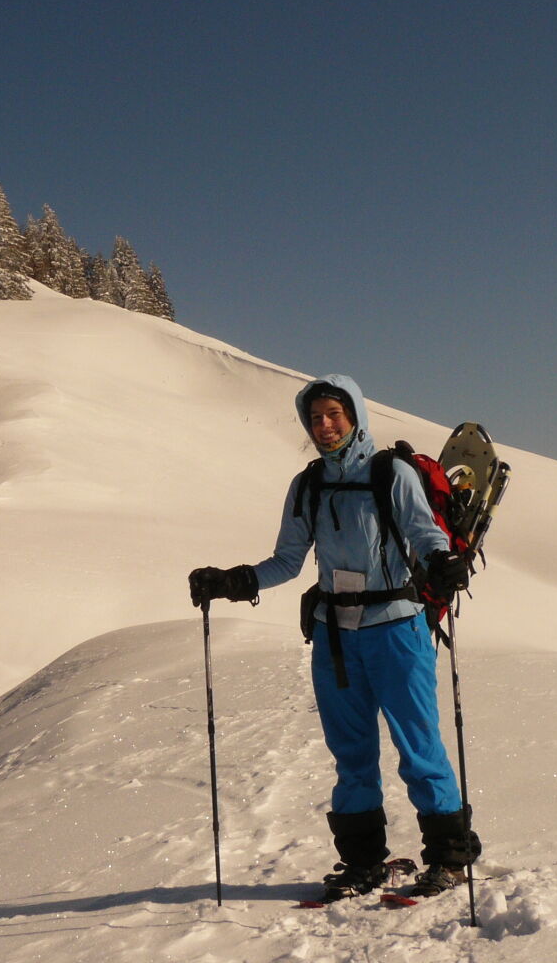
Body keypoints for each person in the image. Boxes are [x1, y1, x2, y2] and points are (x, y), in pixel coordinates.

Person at [189, 374, 481, 903]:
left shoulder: (391, 472)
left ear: (355, 416)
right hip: (335, 638)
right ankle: (363, 862)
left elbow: (423, 531)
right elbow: (287, 560)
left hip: (397, 628)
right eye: (315, 417)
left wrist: (443, 561)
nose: (324, 426)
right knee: (351, 753)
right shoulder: (307, 485)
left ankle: (449, 859)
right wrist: (234, 581)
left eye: (334, 415)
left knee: (419, 747)